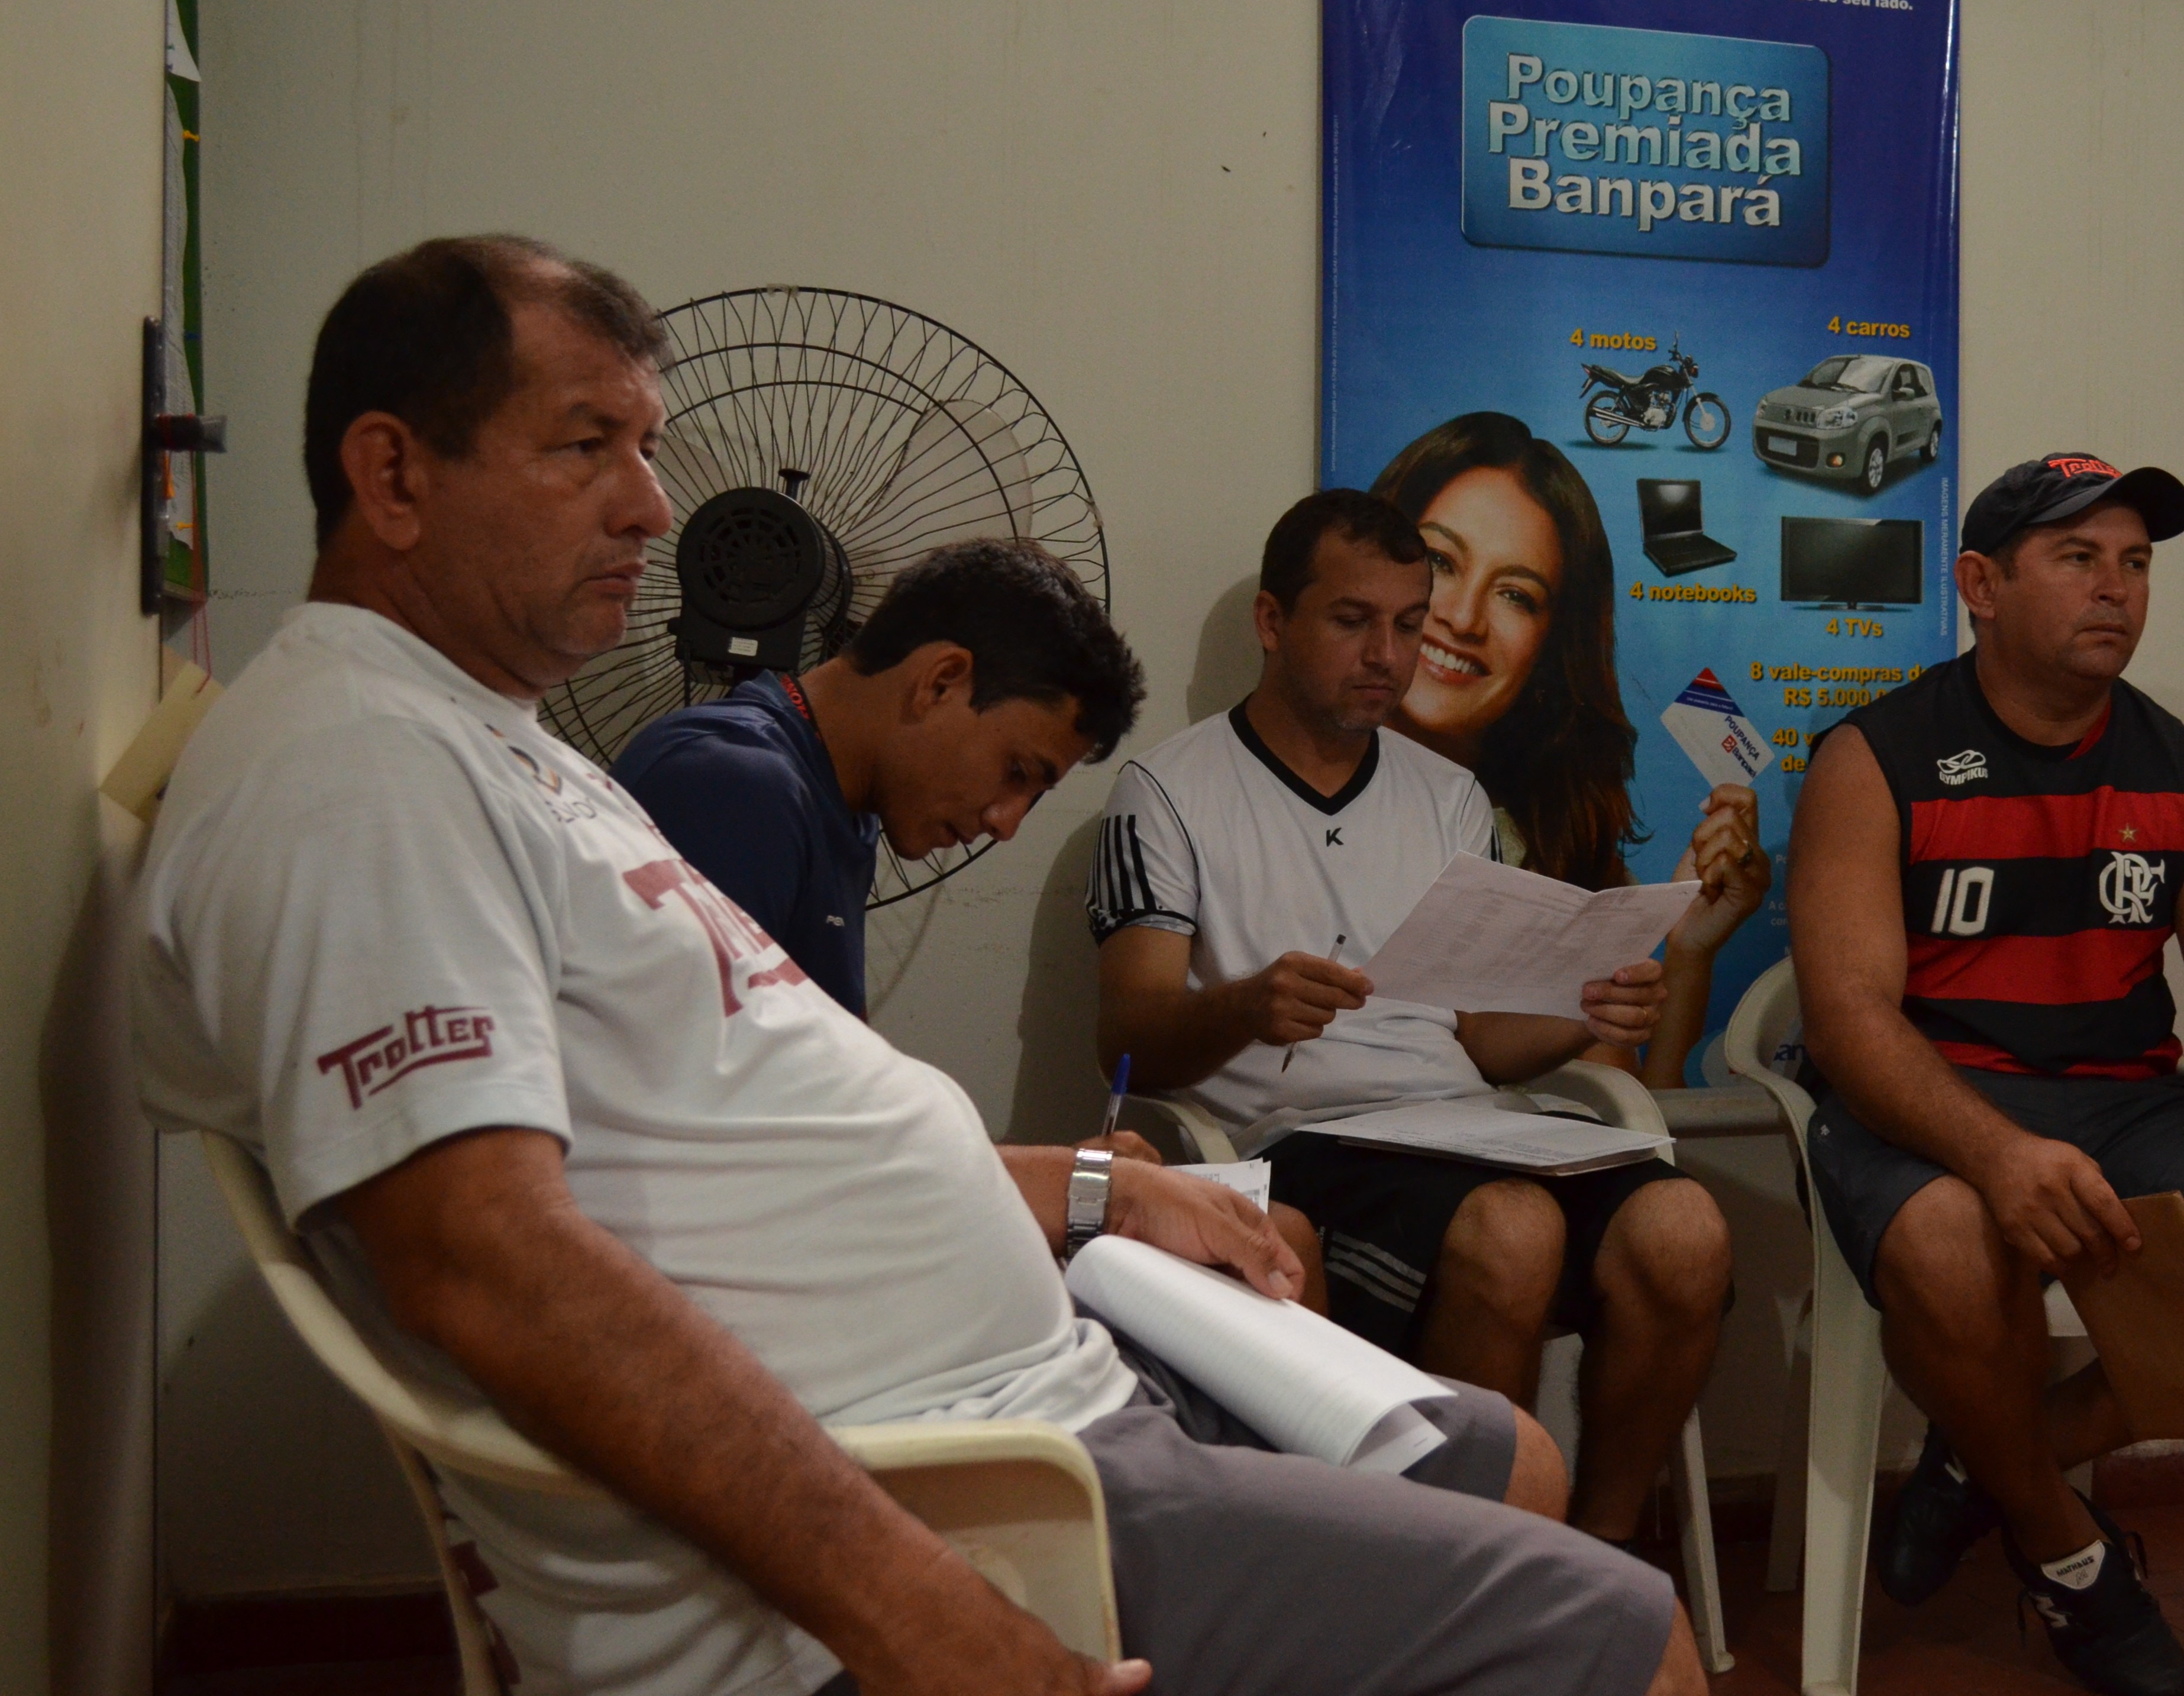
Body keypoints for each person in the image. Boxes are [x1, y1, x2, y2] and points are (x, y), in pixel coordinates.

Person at [137, 236, 1707, 1696]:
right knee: (1633, 1640)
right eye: (583, 446)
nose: (653, 508)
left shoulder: (506, 752)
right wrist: (924, 1614)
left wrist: (1107, 1193)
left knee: (1509, 1461)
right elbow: (487, 1266)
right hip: (967, 1491)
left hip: (1033, 1383)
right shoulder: (359, 776)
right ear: (392, 474)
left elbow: (742, 1138)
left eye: (648, 448)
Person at [1787, 452, 2184, 1696]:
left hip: (2123, 1100)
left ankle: (1991, 1460)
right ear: (1980, 584)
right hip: (1929, 1099)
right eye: (2077, 560)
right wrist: (1995, 1152)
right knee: (1957, 1244)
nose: (2115, 590)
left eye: (2134, 564)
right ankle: (2065, 1554)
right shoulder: (1877, 756)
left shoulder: (2181, 769)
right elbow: (1851, 1020)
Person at [1087, 490, 1731, 1545]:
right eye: (1352, 620)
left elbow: (1477, 1038)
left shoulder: (1447, 795)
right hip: (1295, 1142)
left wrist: (1581, 1013)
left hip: (1462, 1127)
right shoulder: (1166, 789)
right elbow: (1127, 1036)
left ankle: (1592, 1557)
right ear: (1271, 620)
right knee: (1513, 1227)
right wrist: (1247, 1006)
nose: (1387, 652)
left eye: (1406, 622)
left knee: (1686, 1228)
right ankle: (1450, 1575)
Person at [1370, 412, 1770, 1086]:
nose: (1463, 619)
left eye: (1515, 596)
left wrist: (1687, 954)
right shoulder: (1290, 803)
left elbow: (1631, 1117)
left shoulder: (1562, 858)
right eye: (1440, 562)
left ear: (1553, 646)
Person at [613, 541, 1141, 1020]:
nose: (1006, 824)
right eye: (1017, 773)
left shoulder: (848, 809)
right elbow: (688, 1106)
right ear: (940, 682)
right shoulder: (731, 785)